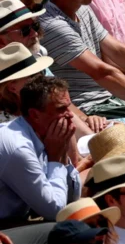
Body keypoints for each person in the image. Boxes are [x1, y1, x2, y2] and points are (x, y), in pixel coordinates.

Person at [0, 69, 80, 225]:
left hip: (17, 221)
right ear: (35, 115)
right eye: (61, 109)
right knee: (71, 230)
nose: (70, 115)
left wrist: (62, 153)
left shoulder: (45, 136)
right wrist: (55, 158)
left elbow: (71, 199)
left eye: (68, 107)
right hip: (4, 227)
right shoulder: (18, 147)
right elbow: (55, 211)